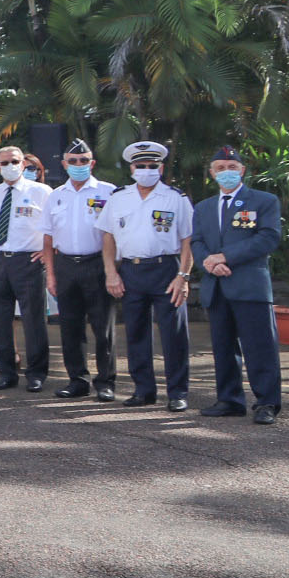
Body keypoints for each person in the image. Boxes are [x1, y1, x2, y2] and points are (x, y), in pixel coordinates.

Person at [97, 141, 195, 412]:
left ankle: (177, 393)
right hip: (131, 271)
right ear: (132, 168)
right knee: (136, 334)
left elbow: (188, 240)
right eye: (141, 166)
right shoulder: (118, 197)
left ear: (161, 168)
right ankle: (144, 390)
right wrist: (110, 273)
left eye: (152, 166)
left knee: (173, 335)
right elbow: (108, 237)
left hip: (166, 270)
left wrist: (183, 276)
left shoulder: (176, 198)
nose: (147, 170)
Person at [190, 146, 284, 424]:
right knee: (223, 347)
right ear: (212, 173)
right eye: (220, 168)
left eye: (232, 167)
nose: (226, 172)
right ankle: (229, 400)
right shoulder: (204, 207)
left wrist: (225, 256)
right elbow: (196, 241)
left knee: (260, 347)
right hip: (216, 286)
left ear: (242, 171)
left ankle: (266, 402)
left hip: (250, 286)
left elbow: (268, 238)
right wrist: (208, 261)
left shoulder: (263, 201)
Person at [42, 138, 118, 401]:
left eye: (83, 161)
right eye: (72, 161)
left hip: (96, 264)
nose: (78, 165)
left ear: (92, 163)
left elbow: (117, 233)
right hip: (65, 265)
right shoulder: (55, 196)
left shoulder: (109, 192)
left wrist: (113, 271)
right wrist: (50, 274)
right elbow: (48, 239)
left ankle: (105, 382)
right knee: (70, 328)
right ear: (64, 164)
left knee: (103, 328)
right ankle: (77, 380)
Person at [0, 143, 52, 391]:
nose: (10, 166)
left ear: (23, 164)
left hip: (28, 261)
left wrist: (48, 251)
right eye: (5, 162)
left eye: (15, 161)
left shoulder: (42, 192)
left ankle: (36, 374)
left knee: (34, 319)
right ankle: (7, 373)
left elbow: (56, 227)